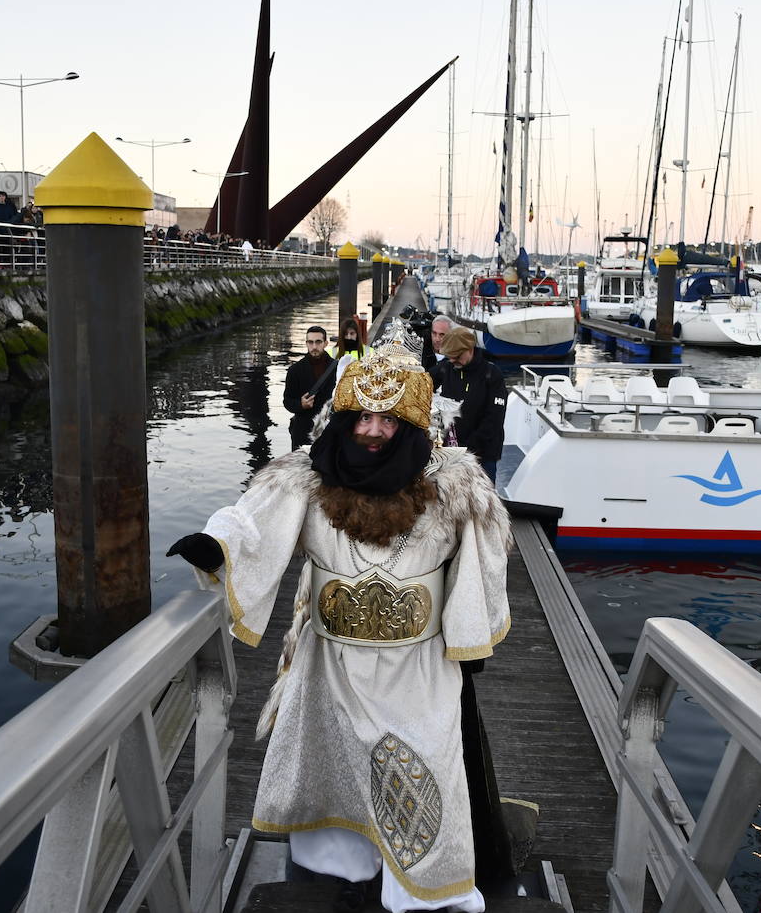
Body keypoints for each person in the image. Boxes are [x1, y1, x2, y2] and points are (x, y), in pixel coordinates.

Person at [166, 336, 510, 913]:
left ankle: (423, 898)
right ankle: (342, 875)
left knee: (420, 770)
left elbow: (484, 556)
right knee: (336, 763)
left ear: (412, 424)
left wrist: (470, 631)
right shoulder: (306, 477)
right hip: (331, 662)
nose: (373, 431)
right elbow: (255, 521)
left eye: (388, 420)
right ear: (346, 416)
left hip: (416, 665)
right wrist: (217, 546)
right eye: (363, 417)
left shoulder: (455, 485)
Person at [432, 328, 506, 483]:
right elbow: (424, 384)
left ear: (470, 349)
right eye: (449, 356)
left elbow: (494, 420)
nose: (453, 360)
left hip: (482, 455)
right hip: (451, 452)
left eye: (457, 356)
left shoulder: (492, 375)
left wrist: (468, 449)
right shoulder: (447, 367)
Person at [282, 325, 335, 449]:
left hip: (329, 429)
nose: (314, 346)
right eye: (310, 342)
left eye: (318, 342)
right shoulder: (295, 370)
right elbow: (287, 401)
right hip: (302, 431)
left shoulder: (336, 368)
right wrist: (301, 405)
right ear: (306, 343)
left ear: (326, 343)